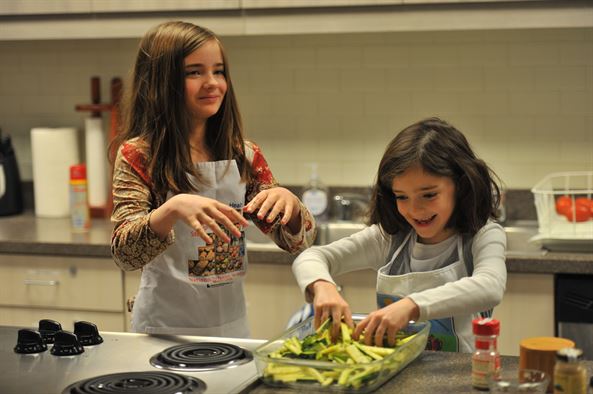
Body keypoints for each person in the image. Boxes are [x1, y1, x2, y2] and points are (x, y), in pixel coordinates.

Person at [110, 21, 316, 337]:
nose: (213, 83)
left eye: (218, 71)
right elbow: (125, 254)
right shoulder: (139, 156)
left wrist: (290, 207)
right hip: (162, 328)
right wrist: (171, 209)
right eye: (194, 72)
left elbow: (297, 242)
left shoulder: (244, 155)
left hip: (231, 327)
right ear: (161, 81)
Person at [292, 117, 506, 353]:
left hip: (462, 375)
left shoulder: (483, 235)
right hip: (398, 373)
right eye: (402, 197)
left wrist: (412, 305)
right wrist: (323, 286)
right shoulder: (389, 239)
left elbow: (490, 286)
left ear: (461, 185)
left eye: (428, 195)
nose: (414, 209)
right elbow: (310, 257)